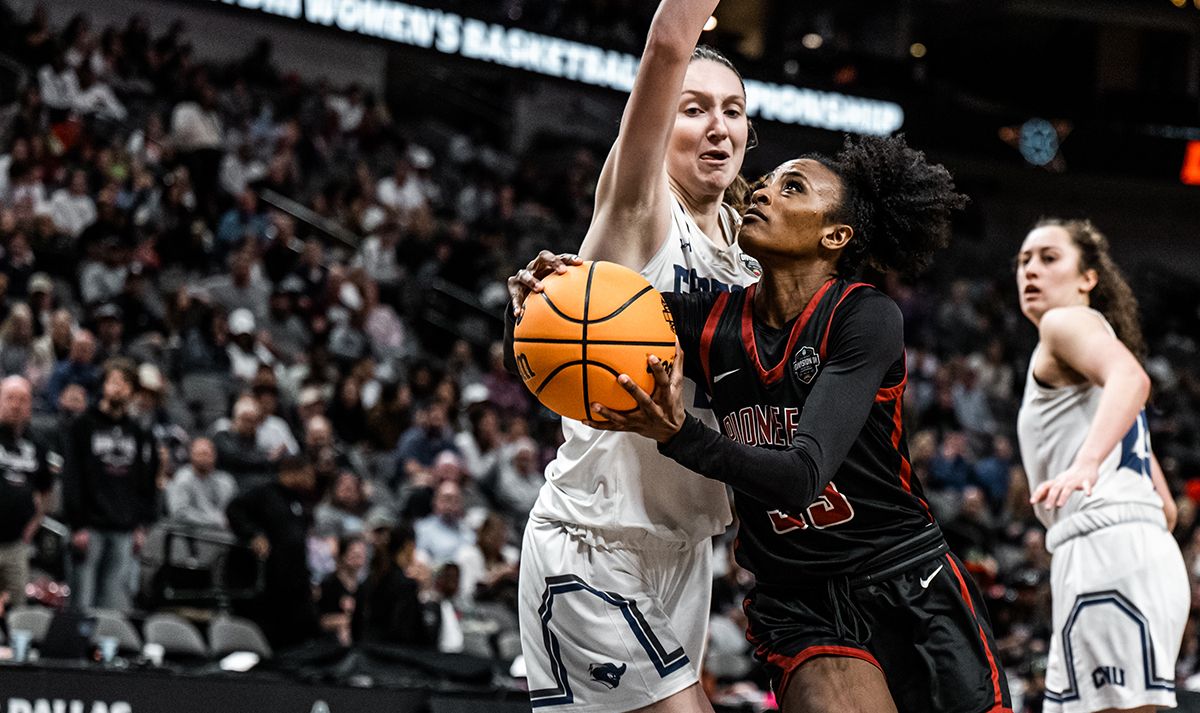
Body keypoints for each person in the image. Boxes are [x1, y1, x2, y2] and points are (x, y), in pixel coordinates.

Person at [514, 134, 1009, 712]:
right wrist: (537, 302)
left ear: (835, 235)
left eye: (791, 187)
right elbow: (584, 336)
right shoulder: (707, 321)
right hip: (800, 601)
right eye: (768, 180)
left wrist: (680, 435)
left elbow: (802, 477)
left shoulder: (863, 316)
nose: (765, 190)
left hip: (903, 577)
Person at [502, 1, 759, 709]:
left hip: (685, 552)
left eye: (734, 111)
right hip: (593, 539)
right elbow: (667, 46)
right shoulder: (640, 210)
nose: (718, 126)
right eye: (695, 109)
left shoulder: (751, 260)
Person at [1014, 218, 1187, 713]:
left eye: (1049, 258)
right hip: (1137, 552)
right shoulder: (1092, 357)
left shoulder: (1063, 322)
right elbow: (1168, 511)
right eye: (1024, 260)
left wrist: (1085, 466)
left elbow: (1133, 379)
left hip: (1104, 549)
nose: (1031, 270)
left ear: (1088, 278)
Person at [62, 359, 159, 611]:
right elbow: (72, 476)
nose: (119, 388)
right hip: (90, 526)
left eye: (125, 383)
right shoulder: (83, 425)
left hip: (124, 528)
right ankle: (79, 651)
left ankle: (106, 650)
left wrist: (141, 524)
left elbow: (146, 481)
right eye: (114, 381)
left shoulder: (139, 432)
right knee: (82, 602)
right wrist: (77, 524)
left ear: (133, 391)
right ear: (103, 385)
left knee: (114, 605)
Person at [0, 376, 53, 607]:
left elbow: (45, 490)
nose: (16, 404)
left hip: (16, 544)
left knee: (17, 613)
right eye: (10, 398)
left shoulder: (38, 444)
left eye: (22, 399)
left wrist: (33, 526)